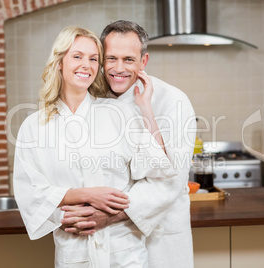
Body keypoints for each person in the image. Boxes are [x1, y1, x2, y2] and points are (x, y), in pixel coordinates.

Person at [13, 26, 176, 267]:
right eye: (77, 56)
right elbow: (30, 192)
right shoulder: (34, 127)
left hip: (125, 253)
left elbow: (159, 173)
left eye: (93, 59)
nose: (86, 65)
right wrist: (84, 196)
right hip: (74, 254)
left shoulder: (119, 113)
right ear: (59, 62)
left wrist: (145, 108)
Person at [61, 20, 196, 268]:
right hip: (109, 241)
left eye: (129, 59)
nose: (119, 68)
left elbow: (171, 179)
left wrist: (110, 215)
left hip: (161, 235)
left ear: (143, 62)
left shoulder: (173, 101)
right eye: (111, 58)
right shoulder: (92, 98)